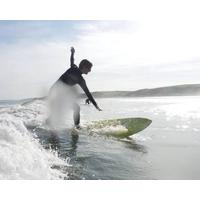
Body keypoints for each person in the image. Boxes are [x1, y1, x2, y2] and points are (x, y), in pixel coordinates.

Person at [47, 47, 102, 129]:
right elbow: (88, 93)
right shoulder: (77, 74)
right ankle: (77, 127)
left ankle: (49, 123)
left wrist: (72, 53)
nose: (90, 70)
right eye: (89, 68)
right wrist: (96, 106)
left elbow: (88, 93)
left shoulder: (79, 76)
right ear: (84, 67)